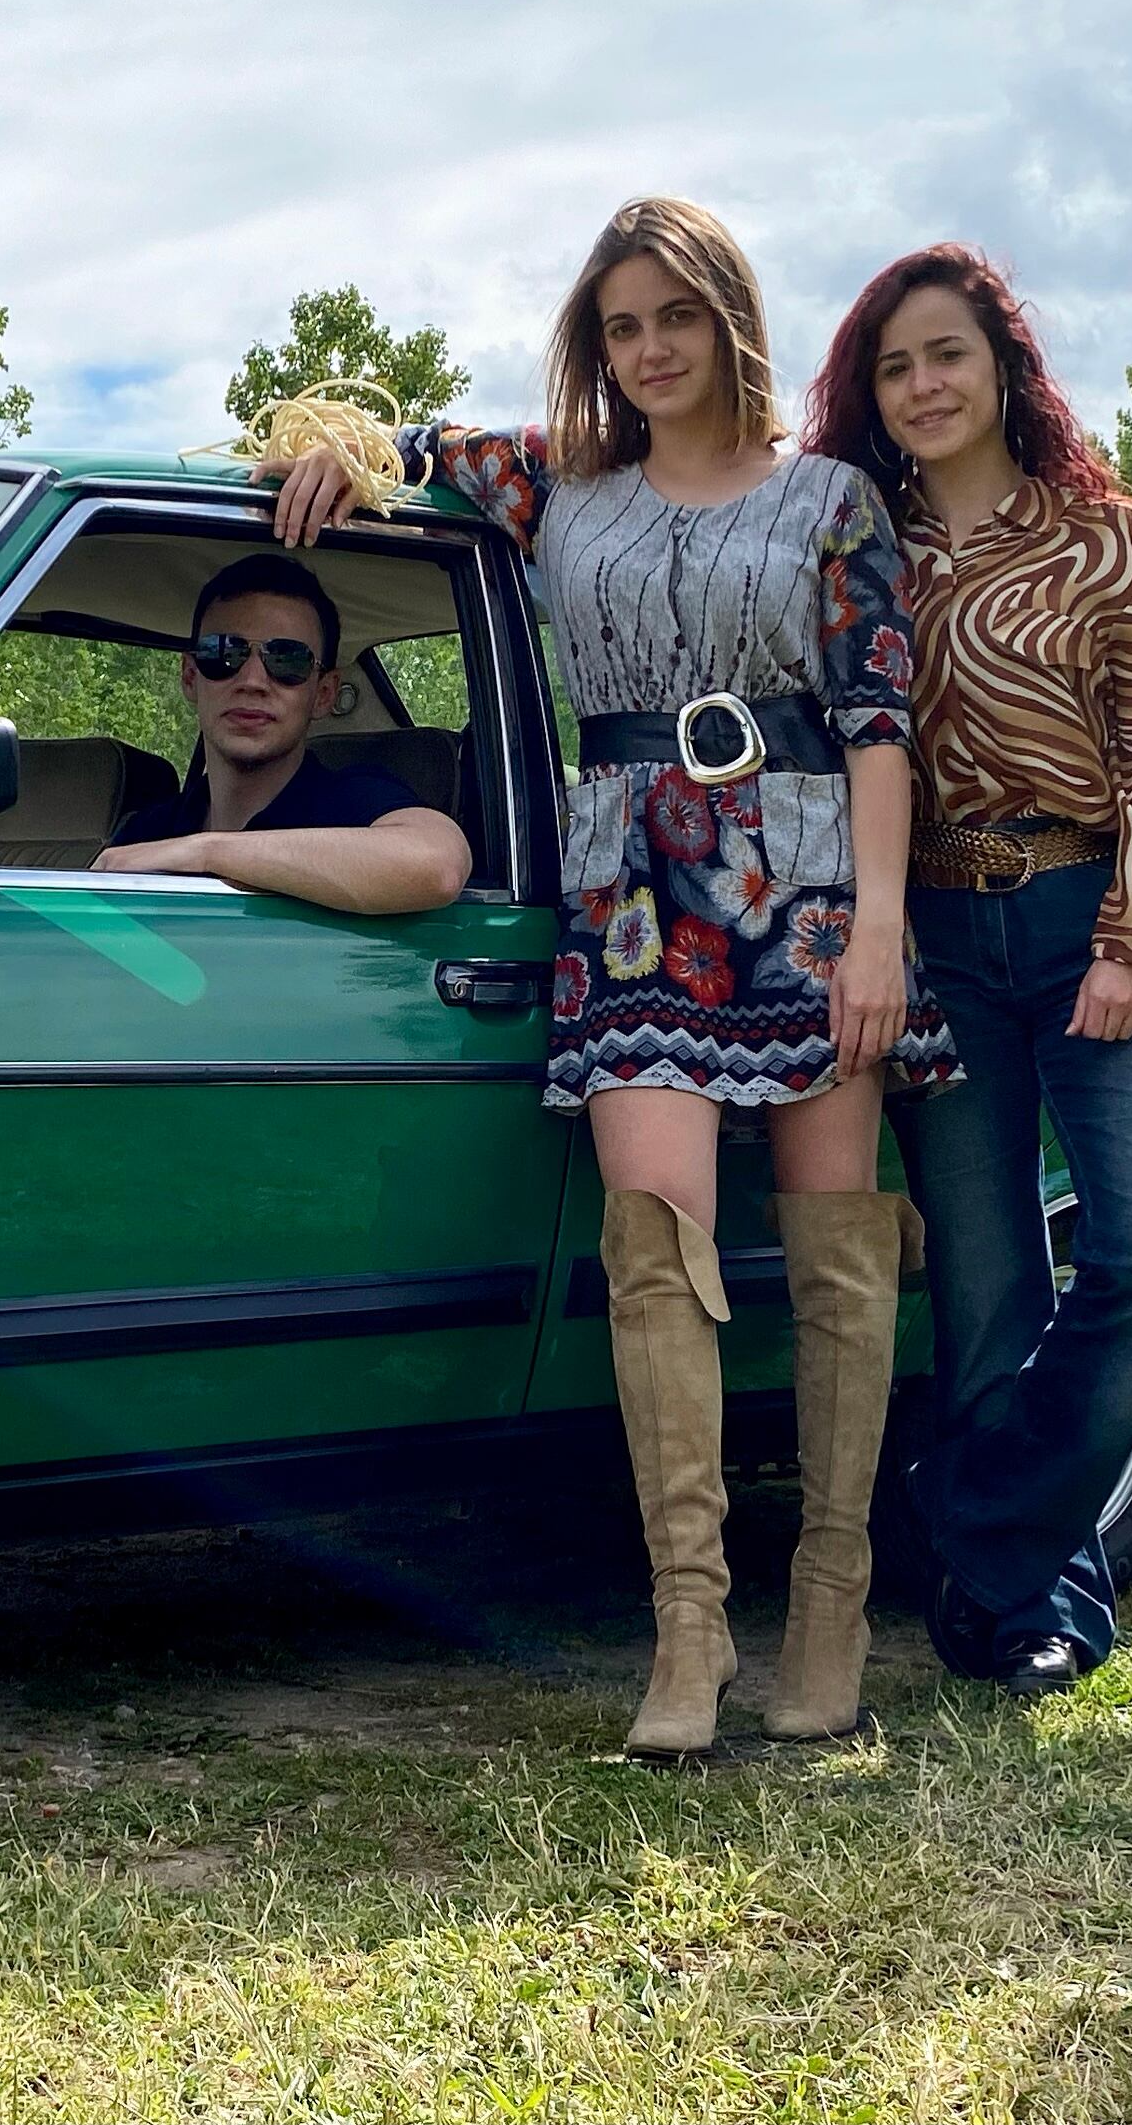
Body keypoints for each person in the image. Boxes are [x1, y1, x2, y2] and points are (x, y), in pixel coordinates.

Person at [267, 197, 959, 1755]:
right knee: (653, 1249)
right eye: (618, 328)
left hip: (810, 883)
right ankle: (688, 1625)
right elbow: (394, 453)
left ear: (729, 324)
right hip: (634, 891)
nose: (647, 353)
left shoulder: (833, 496)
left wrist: (881, 930)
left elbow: (873, 722)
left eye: (674, 321)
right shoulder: (554, 489)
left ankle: (828, 1609)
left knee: (837, 1255)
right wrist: (328, 455)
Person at [800, 245, 1132, 1700]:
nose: (921, 386)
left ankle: (971, 1522)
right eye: (894, 365)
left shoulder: (1107, 539)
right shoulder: (855, 551)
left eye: (945, 356)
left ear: (1000, 368)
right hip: (927, 939)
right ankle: (1025, 1606)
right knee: (986, 1286)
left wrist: (1131, 937)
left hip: (1077, 910)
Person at [93, 553, 474, 915]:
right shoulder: (150, 830)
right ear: (191, 677)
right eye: (224, 654)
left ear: (323, 694)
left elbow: (439, 865)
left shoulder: (348, 802)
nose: (253, 681)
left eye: (287, 660)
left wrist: (207, 852)